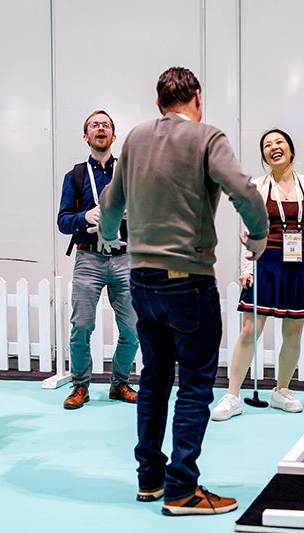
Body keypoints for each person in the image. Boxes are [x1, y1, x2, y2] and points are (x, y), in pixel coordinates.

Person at [98, 67, 268, 515]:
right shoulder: (207, 137)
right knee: (194, 384)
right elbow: (244, 190)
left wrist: (113, 237)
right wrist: (259, 236)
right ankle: (182, 489)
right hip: (187, 279)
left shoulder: (133, 138)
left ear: (158, 104)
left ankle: (149, 480)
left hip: (142, 277)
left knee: (154, 379)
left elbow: (111, 202)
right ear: (197, 97)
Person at [211, 128, 304, 421]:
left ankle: (281, 391)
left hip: (298, 263)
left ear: (290, 150)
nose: (273, 148)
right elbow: (250, 232)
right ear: (264, 155)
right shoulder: (256, 186)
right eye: (267, 145)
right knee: (250, 330)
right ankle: (232, 395)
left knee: (293, 332)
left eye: (279, 143)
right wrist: (245, 269)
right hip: (264, 262)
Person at [57, 110, 139, 410]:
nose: (100, 128)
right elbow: (63, 221)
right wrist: (84, 216)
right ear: (86, 136)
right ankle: (80, 386)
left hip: (125, 258)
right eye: (94, 125)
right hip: (88, 259)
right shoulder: (76, 175)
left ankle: (119, 384)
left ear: (113, 136)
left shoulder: (129, 173)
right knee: (81, 326)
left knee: (132, 327)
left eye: (106, 125)